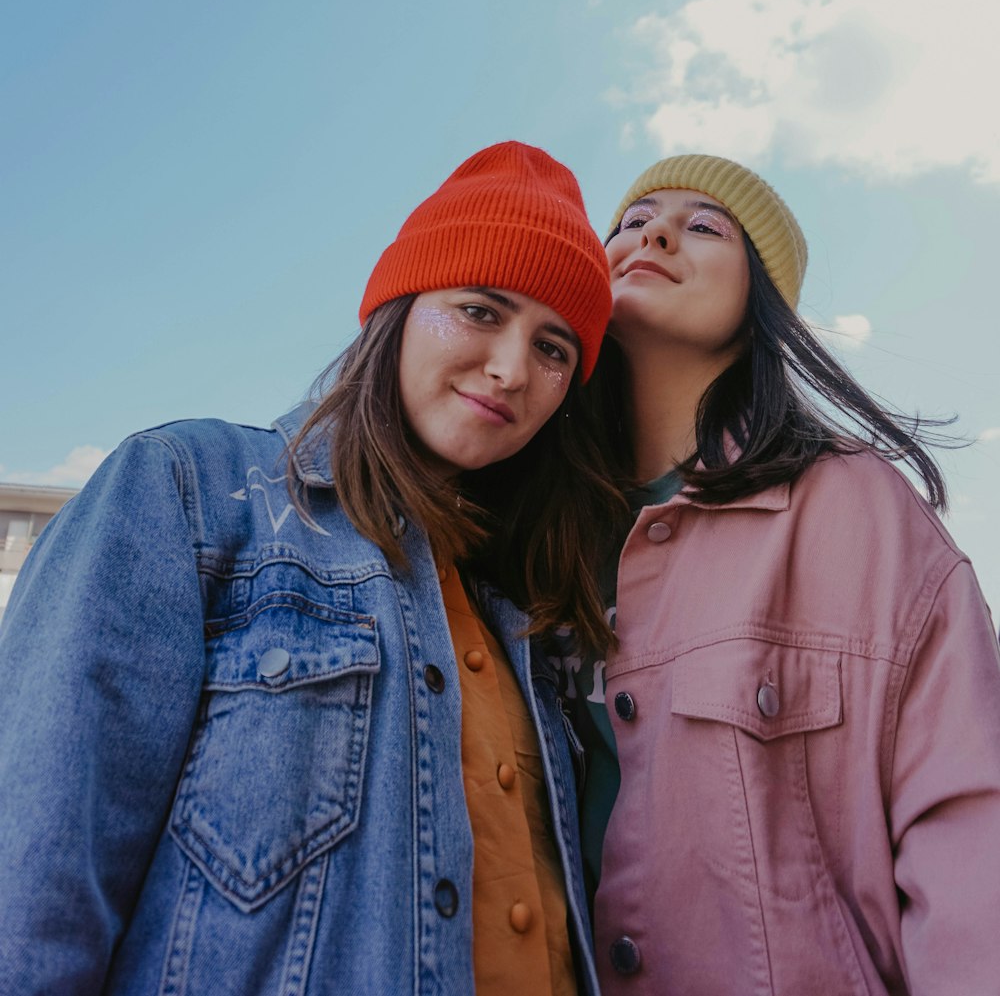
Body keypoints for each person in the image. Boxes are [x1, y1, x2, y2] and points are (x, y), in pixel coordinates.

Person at [0, 141, 625, 996]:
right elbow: (30, 892)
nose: (514, 368)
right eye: (481, 309)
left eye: (554, 348)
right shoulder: (188, 492)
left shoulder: (528, 605)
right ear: (399, 309)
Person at [565, 153, 1000, 995]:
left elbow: (970, 823)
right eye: (632, 219)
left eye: (703, 226)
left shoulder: (856, 507)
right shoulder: (536, 531)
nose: (653, 231)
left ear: (762, 296)